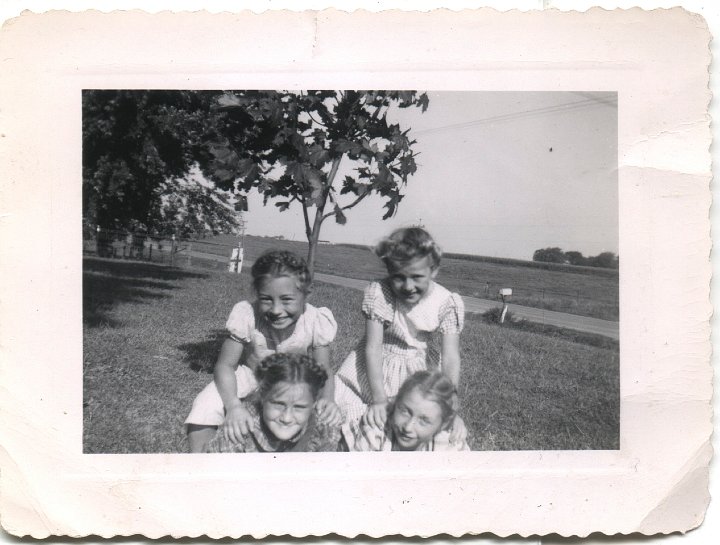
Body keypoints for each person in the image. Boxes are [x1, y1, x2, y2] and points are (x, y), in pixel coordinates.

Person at [185, 250, 339, 452]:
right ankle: (200, 463)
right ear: (257, 293)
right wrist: (233, 406)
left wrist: (327, 399)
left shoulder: (315, 319)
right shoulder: (247, 313)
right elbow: (225, 365)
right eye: (266, 299)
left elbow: (323, 367)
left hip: (294, 380)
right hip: (251, 375)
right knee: (206, 404)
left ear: (307, 294)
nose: (276, 310)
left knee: (330, 415)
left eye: (286, 300)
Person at [334, 226, 465, 448]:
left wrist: (450, 402)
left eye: (417, 277)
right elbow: (373, 347)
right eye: (398, 278)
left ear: (433, 271)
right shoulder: (382, 293)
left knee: (421, 413)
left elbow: (451, 356)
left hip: (418, 368)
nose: (408, 286)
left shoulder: (446, 302)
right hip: (376, 368)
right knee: (368, 417)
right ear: (388, 271)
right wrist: (378, 399)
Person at [205, 353, 341, 453]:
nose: (286, 418)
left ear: (314, 403)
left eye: (299, 407)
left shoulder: (323, 428)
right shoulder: (240, 430)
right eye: (278, 404)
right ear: (263, 397)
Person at [352, 371, 470, 451]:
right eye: (404, 411)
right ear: (395, 402)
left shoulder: (449, 445)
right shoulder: (375, 434)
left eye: (424, 420)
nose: (408, 427)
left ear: (442, 424)